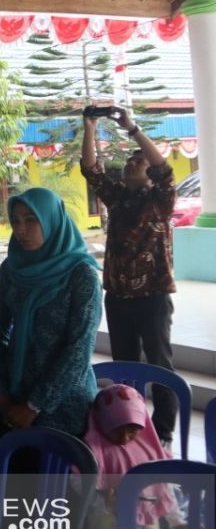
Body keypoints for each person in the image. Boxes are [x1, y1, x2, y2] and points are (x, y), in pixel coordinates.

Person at [82, 107, 179, 446]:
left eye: (139, 163)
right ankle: (126, 424)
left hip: (153, 296)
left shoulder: (161, 198)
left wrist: (133, 129)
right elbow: (91, 171)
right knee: (124, 365)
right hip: (119, 296)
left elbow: (164, 169)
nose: (131, 163)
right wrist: (90, 127)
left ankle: (163, 432)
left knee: (159, 365)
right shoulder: (118, 198)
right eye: (130, 160)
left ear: (151, 176)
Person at [0, 189, 102, 437]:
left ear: (51, 220)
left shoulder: (81, 275)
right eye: (16, 221)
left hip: (65, 403)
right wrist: (1, 393)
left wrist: (34, 406)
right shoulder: (12, 269)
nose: (21, 229)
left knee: (59, 474)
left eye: (31, 219)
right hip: (13, 396)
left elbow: (79, 348)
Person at [83, 384, 186, 529]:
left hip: (146, 521)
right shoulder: (95, 451)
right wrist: (101, 498)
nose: (124, 438)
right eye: (116, 431)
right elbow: (78, 482)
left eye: (132, 431)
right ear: (101, 422)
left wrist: (176, 520)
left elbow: (163, 487)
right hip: (108, 521)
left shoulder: (150, 451)